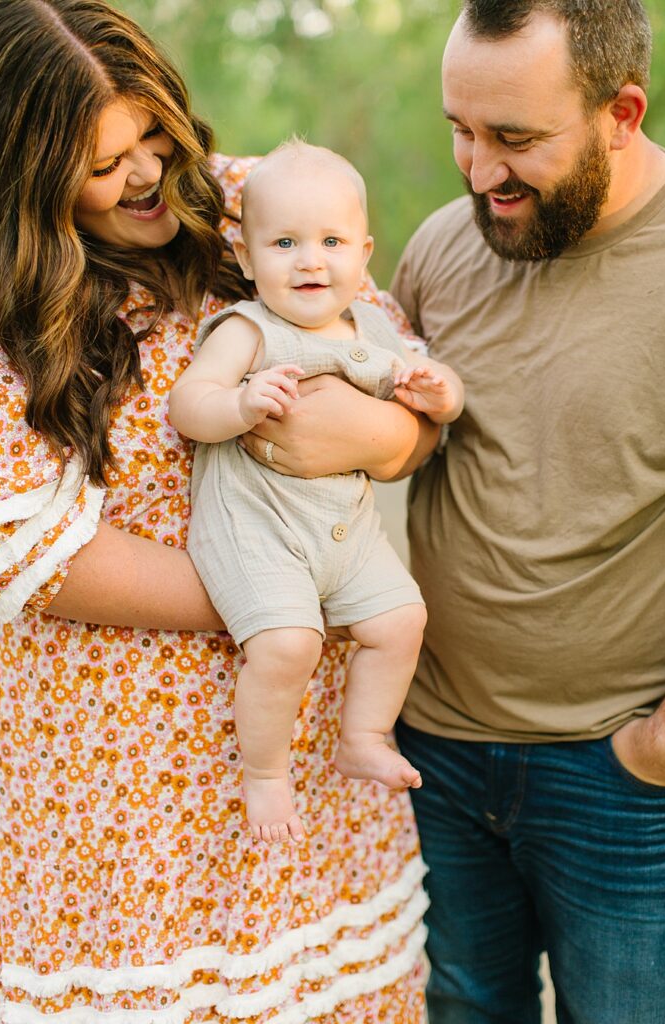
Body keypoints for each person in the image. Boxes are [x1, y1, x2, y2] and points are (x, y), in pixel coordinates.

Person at [0, 2, 437, 1021]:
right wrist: (280, 597)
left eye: (154, 134)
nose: (147, 174)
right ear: (26, 170)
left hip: (302, 758)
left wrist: (375, 442)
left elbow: (400, 387)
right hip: (119, 769)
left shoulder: (252, 209)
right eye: (104, 164)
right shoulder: (13, 306)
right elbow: (32, 549)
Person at [386, 1, 665, 1022]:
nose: (477, 172)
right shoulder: (438, 248)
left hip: (620, 779)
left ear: (619, 112)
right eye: (458, 130)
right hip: (431, 761)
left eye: (513, 139)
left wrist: (658, 749)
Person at [169, 140, 464, 845]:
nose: (310, 260)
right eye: (285, 242)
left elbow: (427, 400)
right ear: (246, 259)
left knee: (401, 622)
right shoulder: (249, 329)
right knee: (288, 644)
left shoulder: (371, 328)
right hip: (258, 529)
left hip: (346, 535)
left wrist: (439, 394)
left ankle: (362, 734)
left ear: (363, 255)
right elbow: (188, 404)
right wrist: (239, 406)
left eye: (331, 241)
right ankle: (265, 773)